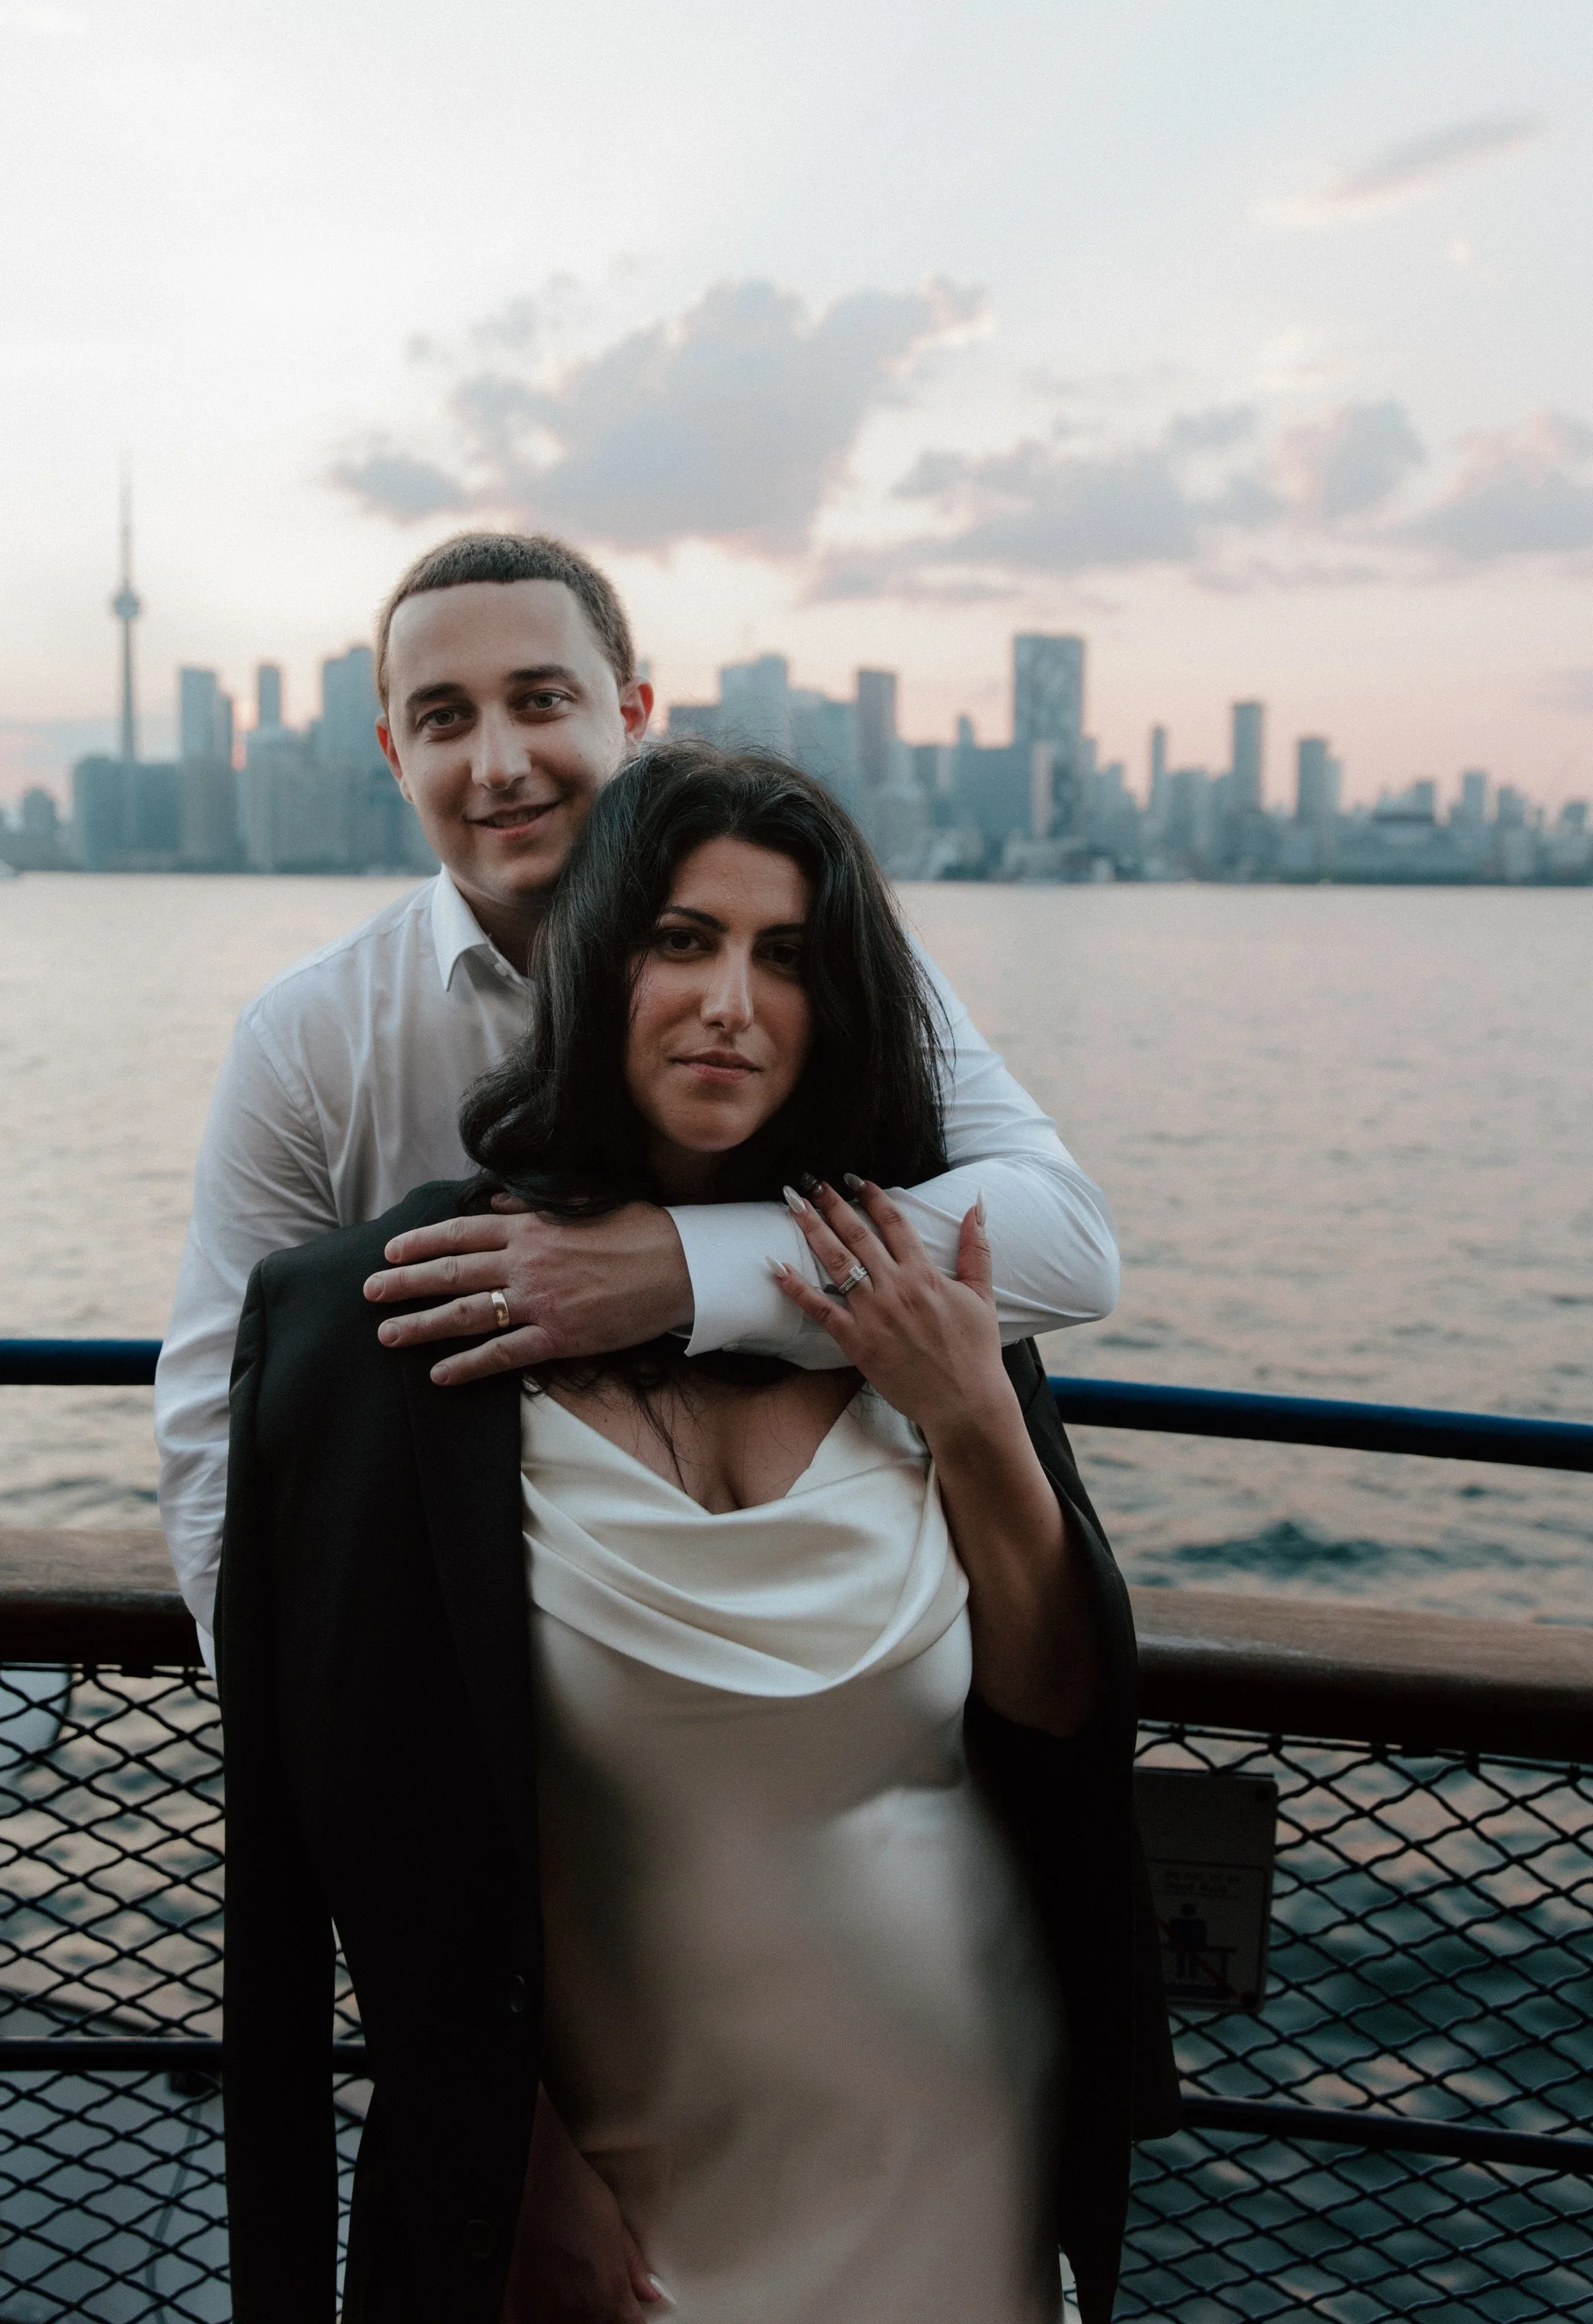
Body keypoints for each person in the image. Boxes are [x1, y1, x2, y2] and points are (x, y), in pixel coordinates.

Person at [218, 745, 1177, 2324]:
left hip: (961, 2147)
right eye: (682, 939)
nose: (733, 999)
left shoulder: (898, 1280)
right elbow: (351, 1814)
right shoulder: (379, 1331)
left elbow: (1062, 1705)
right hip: (616, 2197)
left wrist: (973, 1415)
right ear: (597, 962)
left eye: (787, 956)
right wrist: (517, 2168)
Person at [156, 530, 1120, 1668]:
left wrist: (679, 1267)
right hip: (475, 1648)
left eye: (540, 699)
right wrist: (282, 1730)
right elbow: (222, 1417)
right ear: (393, 753)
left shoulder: (803, 954)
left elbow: (1067, 1241)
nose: (499, 762)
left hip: (825, 1606)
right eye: (444, 718)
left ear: (631, 714)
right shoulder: (309, 1036)